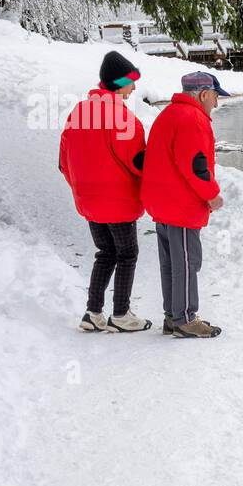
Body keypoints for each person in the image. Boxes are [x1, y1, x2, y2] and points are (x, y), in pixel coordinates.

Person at [59, 50, 153, 332]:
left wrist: (82, 187)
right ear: (119, 82)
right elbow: (138, 163)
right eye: (132, 81)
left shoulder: (78, 112)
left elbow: (64, 161)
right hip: (118, 200)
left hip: (88, 200)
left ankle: (93, 312)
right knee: (126, 253)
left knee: (105, 252)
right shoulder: (121, 117)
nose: (135, 87)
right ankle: (121, 314)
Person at [141, 71, 228, 338]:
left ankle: (173, 316)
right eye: (215, 96)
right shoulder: (193, 120)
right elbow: (196, 166)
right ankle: (186, 318)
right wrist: (212, 195)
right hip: (180, 205)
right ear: (203, 94)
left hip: (162, 203)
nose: (216, 103)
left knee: (172, 262)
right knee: (188, 262)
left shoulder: (168, 114)